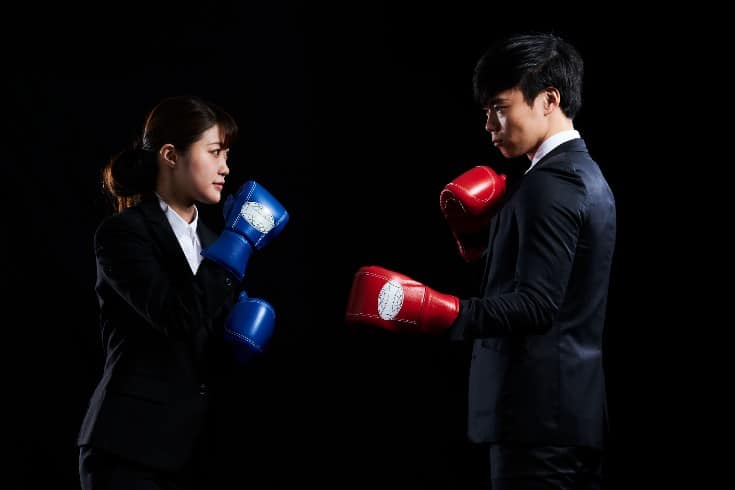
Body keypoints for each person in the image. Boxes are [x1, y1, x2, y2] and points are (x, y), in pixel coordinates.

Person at [345, 32, 616, 489]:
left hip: (537, 424)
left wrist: (438, 310)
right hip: (562, 418)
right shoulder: (582, 175)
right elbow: (561, 288)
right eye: (486, 110)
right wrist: (482, 247)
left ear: (549, 100)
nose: (489, 124)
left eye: (500, 107)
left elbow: (538, 305)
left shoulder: (551, 184)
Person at [77, 95, 289, 489]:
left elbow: (202, 356)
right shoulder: (123, 234)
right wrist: (238, 244)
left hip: (195, 453)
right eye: (214, 152)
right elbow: (175, 318)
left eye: (227, 155)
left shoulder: (214, 240)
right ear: (171, 155)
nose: (225, 168)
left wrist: (239, 343)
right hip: (129, 448)